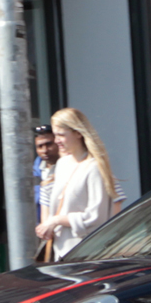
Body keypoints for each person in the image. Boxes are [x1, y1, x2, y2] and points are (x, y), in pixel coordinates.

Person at [36, 108, 126, 260]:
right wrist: (47, 226)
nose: (57, 140)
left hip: (87, 254)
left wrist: (56, 220)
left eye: (61, 135)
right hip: (60, 253)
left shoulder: (95, 167)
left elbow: (96, 217)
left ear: (78, 133)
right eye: (56, 135)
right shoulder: (62, 164)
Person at [33, 124, 59, 222]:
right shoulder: (34, 172)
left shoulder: (70, 167)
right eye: (40, 146)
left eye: (49, 144)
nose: (45, 150)